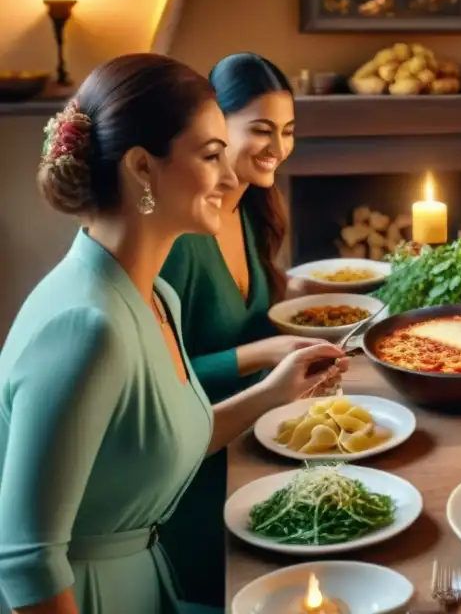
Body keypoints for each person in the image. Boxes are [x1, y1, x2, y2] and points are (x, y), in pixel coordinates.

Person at [0, 54, 347, 614]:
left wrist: (274, 392)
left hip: (148, 584)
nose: (232, 176)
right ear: (142, 168)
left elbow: (169, 436)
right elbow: (25, 561)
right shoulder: (85, 326)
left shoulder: (157, 296)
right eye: (212, 155)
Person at [158, 52, 316, 607]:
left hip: (257, 434)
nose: (278, 147)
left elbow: (257, 305)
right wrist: (261, 352)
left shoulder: (252, 209)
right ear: (216, 127)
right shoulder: (182, 234)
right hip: (196, 468)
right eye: (262, 130)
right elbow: (156, 380)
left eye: (289, 131)